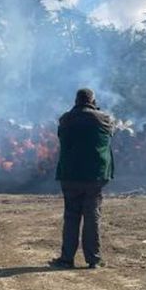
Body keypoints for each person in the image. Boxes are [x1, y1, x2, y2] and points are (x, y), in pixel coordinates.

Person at [50, 88, 115, 269]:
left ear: (76, 101)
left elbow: (62, 135)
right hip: (95, 175)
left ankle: (66, 259)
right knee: (92, 216)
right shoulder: (104, 119)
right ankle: (93, 259)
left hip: (70, 174)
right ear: (92, 101)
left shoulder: (65, 119)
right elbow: (111, 133)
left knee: (71, 216)